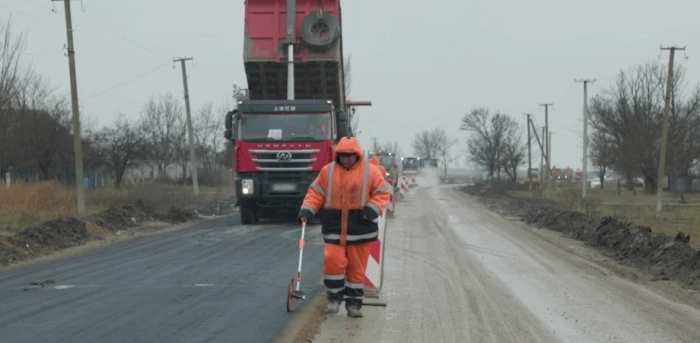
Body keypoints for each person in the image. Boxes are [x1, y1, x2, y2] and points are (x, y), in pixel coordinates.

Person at [298, 137, 392, 318]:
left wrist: (371, 210)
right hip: (334, 229)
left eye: (349, 156)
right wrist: (307, 210)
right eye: (342, 156)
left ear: (356, 155)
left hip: (360, 230)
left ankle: (354, 305)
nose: (346, 159)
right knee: (332, 262)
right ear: (338, 155)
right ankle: (334, 299)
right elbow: (316, 193)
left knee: (356, 271)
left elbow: (382, 192)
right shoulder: (328, 171)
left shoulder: (370, 172)